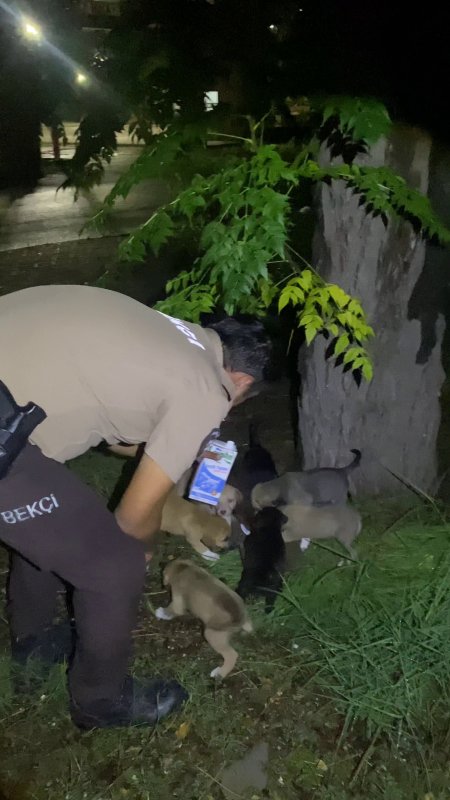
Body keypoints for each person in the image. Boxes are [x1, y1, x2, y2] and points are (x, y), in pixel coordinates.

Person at [0, 284, 272, 729]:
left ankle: (33, 644)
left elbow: (118, 434)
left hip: (8, 409)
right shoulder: (206, 387)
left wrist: (178, 446)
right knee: (116, 563)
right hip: (2, 429)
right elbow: (133, 516)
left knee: (58, 523)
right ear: (241, 382)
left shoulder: (166, 331)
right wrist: (142, 548)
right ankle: (99, 701)